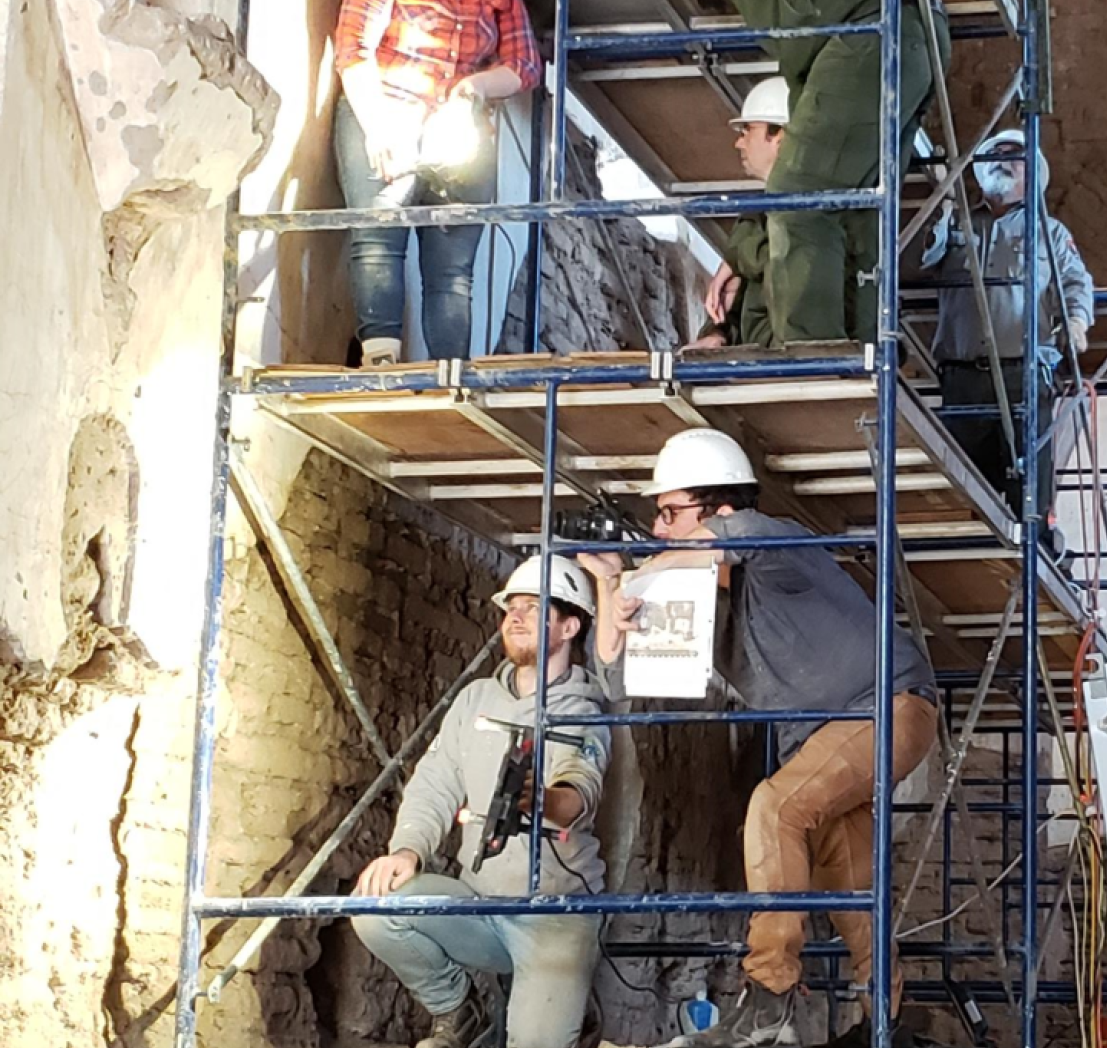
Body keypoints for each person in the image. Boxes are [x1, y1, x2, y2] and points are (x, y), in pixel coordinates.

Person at [580, 428, 939, 1048]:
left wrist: (650, 570)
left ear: (719, 510)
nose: (658, 528)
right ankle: (888, 1013)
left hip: (888, 706)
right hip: (828, 738)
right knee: (849, 877)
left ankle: (770, 994)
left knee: (774, 807)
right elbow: (614, 673)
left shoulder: (778, 548)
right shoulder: (698, 601)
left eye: (670, 512)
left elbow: (736, 534)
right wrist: (611, 586)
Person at [351, 555, 612, 1048]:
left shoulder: (586, 710)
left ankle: (570, 1011)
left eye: (533, 609)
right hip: (481, 904)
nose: (514, 618)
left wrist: (542, 802)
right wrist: (408, 851)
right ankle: (460, 1010)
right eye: (510, 608)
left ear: (570, 625)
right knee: (376, 907)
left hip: (554, 917)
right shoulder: (474, 701)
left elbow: (581, 789)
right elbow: (435, 781)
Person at [333, 0, 541, 366]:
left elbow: (524, 66)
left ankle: (450, 375)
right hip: (389, 110)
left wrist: (471, 87)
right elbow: (353, 47)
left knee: (451, 269)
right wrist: (376, 126)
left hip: (457, 130)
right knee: (378, 238)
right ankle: (382, 363)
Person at [731, 0, 950, 346]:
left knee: (798, 200)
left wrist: (738, 249)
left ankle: (814, 356)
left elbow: (798, 31)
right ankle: (863, 349)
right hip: (915, 32)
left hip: (872, 32)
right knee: (857, 207)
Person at [916, 128, 1095, 526]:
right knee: (963, 485)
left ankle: (1035, 550)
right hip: (963, 377)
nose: (1002, 160)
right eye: (993, 154)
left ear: (1034, 172)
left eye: (1014, 155)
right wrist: (942, 207)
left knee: (1027, 487)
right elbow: (921, 258)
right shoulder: (959, 223)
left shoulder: (1050, 232)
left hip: (1023, 375)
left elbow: (1075, 282)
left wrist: (1077, 321)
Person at [690, 78, 791, 350]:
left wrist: (735, 259)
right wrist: (717, 332)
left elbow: (781, 261)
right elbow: (740, 295)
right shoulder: (758, 218)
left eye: (748, 130)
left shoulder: (821, 209)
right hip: (762, 368)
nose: (739, 143)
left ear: (778, 135)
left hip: (790, 369)